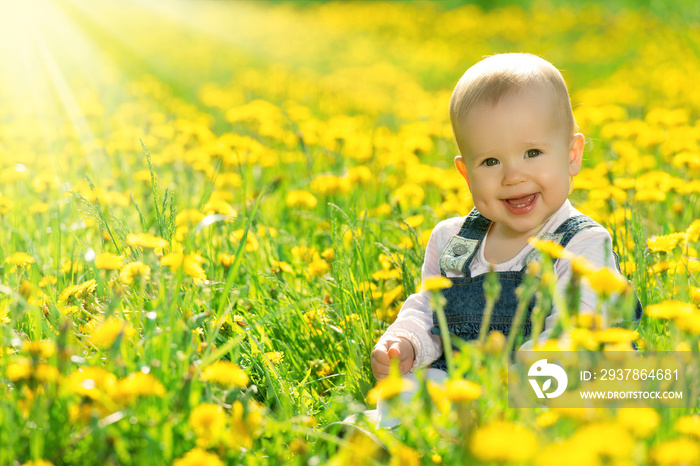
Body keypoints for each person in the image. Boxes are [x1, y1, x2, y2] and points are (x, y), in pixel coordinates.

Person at [369, 54, 642, 423]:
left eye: (532, 153)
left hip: (546, 387)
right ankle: (379, 435)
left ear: (572, 155)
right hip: (466, 388)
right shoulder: (452, 242)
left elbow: (573, 332)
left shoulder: (583, 243)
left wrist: (506, 393)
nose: (513, 175)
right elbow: (429, 313)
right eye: (491, 162)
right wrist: (406, 343)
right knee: (416, 387)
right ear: (466, 173)